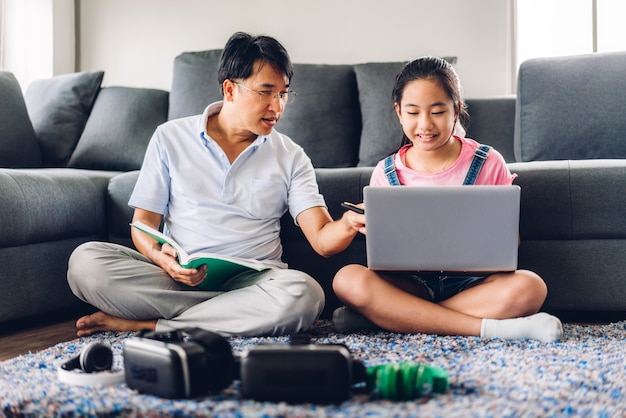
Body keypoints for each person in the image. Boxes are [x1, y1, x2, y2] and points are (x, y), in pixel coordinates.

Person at [67, 32, 362, 338]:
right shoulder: (170, 138)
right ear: (230, 89)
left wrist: (350, 223)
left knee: (306, 294)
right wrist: (161, 258)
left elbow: (323, 241)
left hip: (254, 282)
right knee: (85, 263)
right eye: (266, 92)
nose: (278, 106)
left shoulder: (291, 156)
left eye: (284, 93)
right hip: (176, 280)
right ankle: (227, 316)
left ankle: (154, 324)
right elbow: (143, 223)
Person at [332, 56, 563, 342]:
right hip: (410, 283)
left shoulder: (488, 161)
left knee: (532, 287)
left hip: (474, 284)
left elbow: (510, 243)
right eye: (413, 112)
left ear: (457, 110)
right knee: (347, 279)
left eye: (437, 111)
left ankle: (389, 317)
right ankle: (490, 328)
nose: (425, 124)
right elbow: (380, 254)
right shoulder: (385, 172)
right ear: (398, 112)